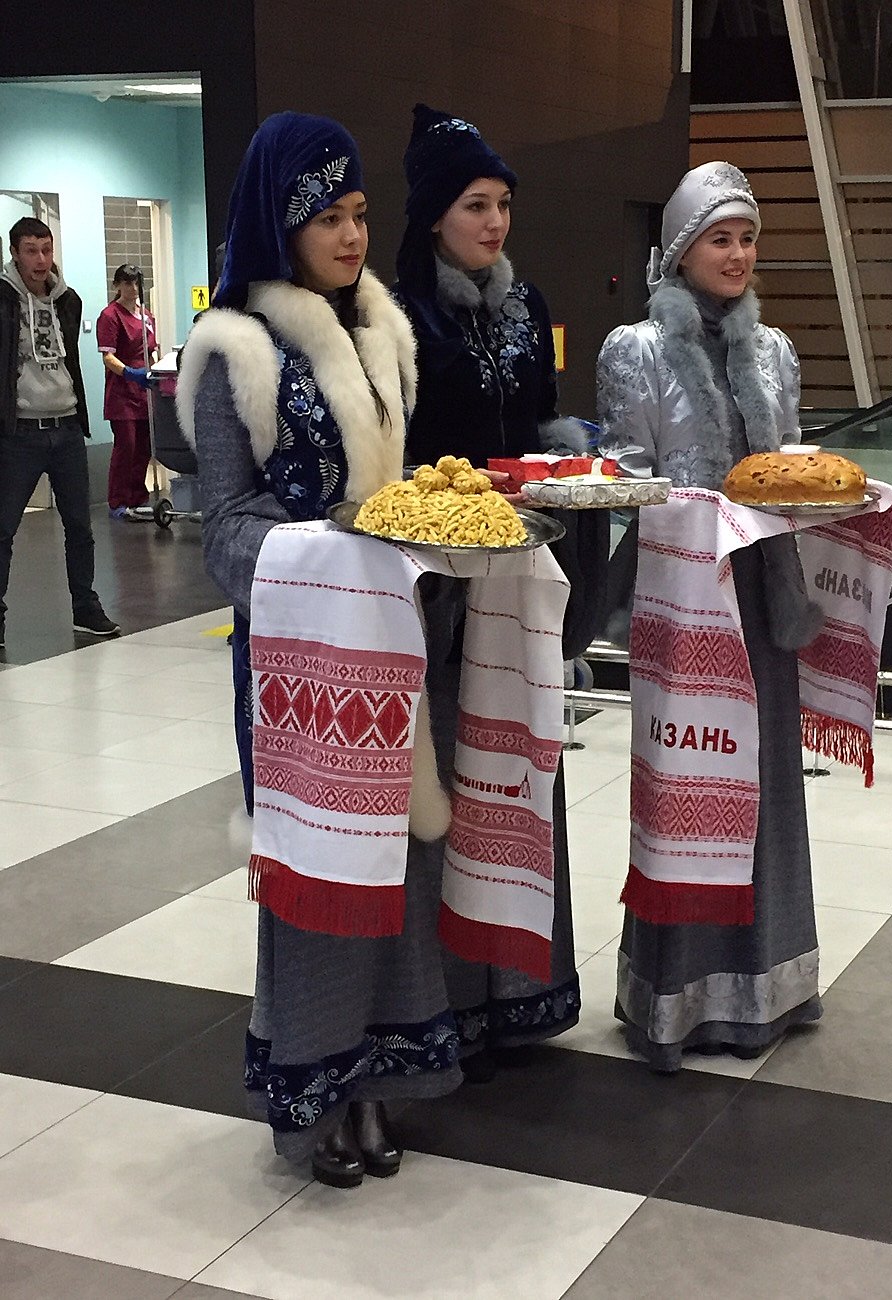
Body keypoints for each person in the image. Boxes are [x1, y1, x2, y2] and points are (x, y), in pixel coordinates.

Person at [176, 111, 463, 1188]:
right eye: (326, 216)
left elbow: (396, 490)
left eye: (359, 214)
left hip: (391, 647)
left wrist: (427, 528)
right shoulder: (233, 350)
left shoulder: (383, 332)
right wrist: (340, 549)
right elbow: (224, 531)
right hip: (298, 665)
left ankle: (380, 1081)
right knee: (318, 876)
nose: (351, 236)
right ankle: (314, 1095)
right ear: (277, 220)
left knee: (395, 863)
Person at [394, 103, 607, 1081]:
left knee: (519, 766)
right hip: (434, 582)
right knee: (451, 775)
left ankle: (520, 995)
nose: (494, 222)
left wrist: (564, 471)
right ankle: (445, 1007)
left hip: (520, 567)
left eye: (504, 204)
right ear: (435, 212)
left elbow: (539, 420)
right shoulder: (397, 312)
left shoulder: (527, 306)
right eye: (475, 204)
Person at [596, 161, 823, 1071]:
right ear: (682, 249)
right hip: (685, 598)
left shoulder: (774, 353)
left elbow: (788, 463)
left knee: (765, 782)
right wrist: (698, 512)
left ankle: (769, 985)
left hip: (765, 596)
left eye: (747, 238)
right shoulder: (636, 349)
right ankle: (678, 1000)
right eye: (719, 238)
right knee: (687, 786)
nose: (737, 254)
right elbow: (623, 482)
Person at [0, 217, 119, 648]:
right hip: (20, 432)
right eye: (31, 250)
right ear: (15, 253)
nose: (41, 259)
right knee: (4, 529)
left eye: (47, 249)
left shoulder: (69, 300)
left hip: (66, 426)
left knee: (80, 527)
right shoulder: (3, 298)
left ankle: (85, 608)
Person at [97, 264, 158, 520]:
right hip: (122, 390)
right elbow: (108, 357)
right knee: (127, 446)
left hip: (145, 390)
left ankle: (138, 496)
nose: (133, 288)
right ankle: (118, 501)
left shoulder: (147, 316)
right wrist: (131, 373)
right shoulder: (110, 316)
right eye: (127, 283)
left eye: (136, 283)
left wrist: (156, 374)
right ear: (117, 285)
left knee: (144, 446)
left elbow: (151, 350)